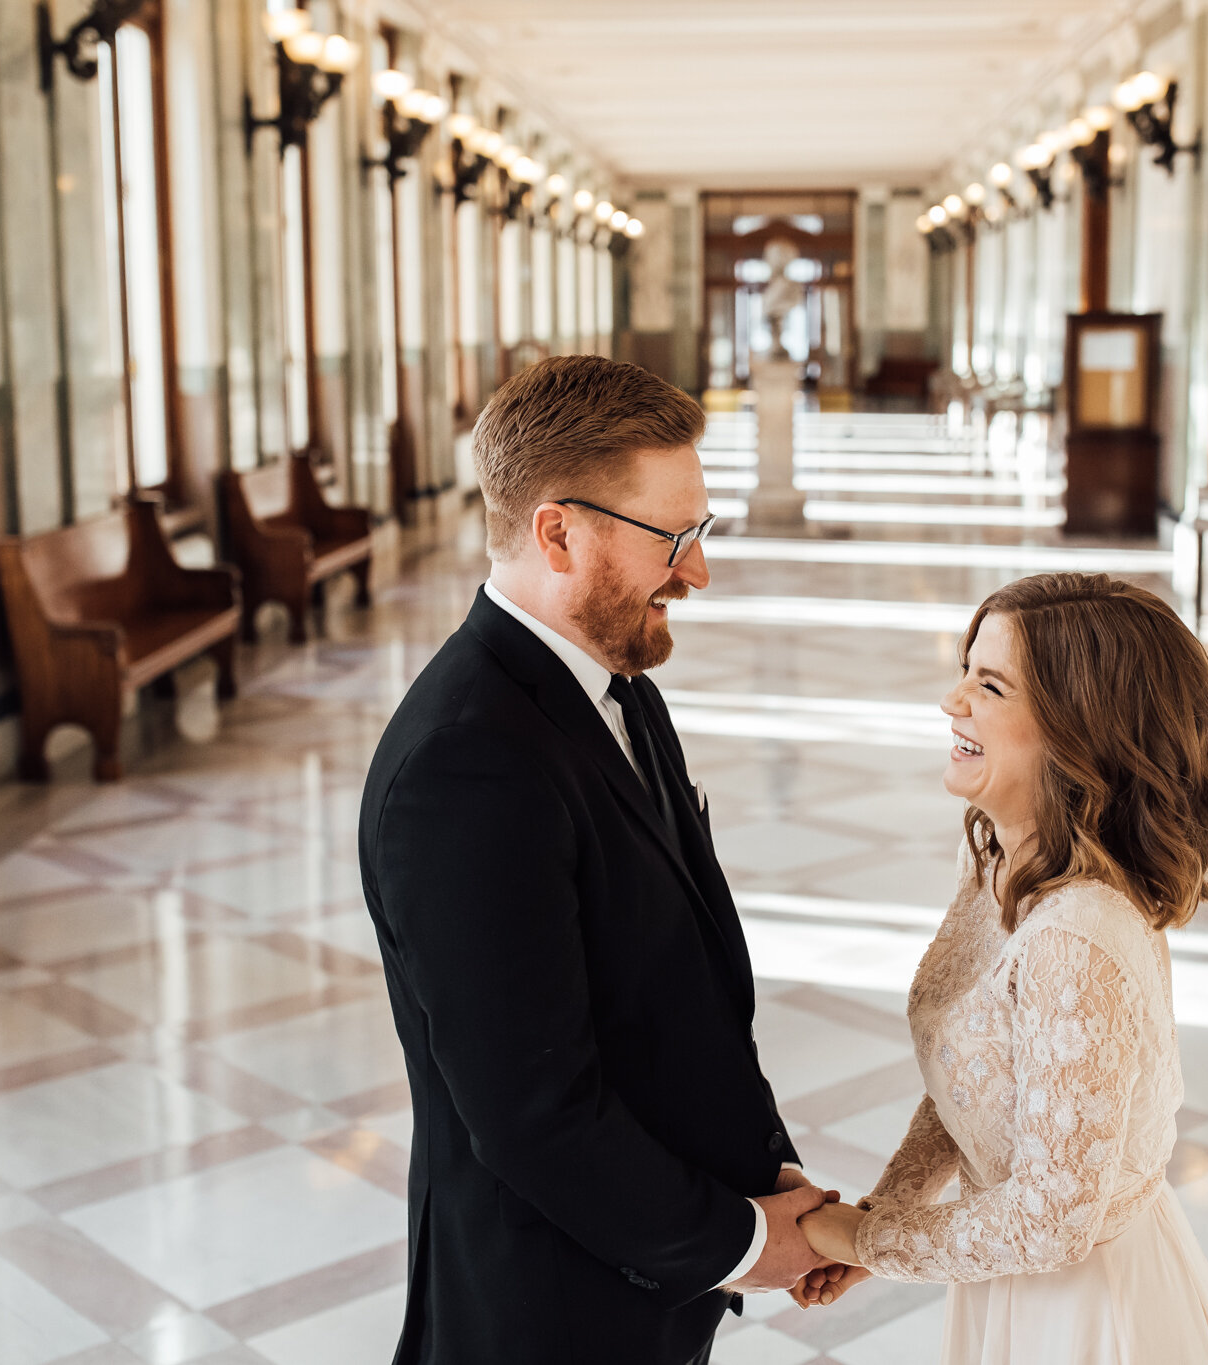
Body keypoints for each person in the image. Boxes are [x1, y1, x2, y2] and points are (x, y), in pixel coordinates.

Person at [358, 355, 830, 1365]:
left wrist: (766, 1179)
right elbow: (535, 1117)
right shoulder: (465, 765)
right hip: (548, 1312)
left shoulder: (614, 680)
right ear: (557, 531)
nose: (696, 571)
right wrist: (747, 1243)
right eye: (674, 538)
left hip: (651, 1274)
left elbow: (677, 991)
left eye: (698, 534)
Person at [795, 573, 1208, 1363]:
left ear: (1079, 730)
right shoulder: (1006, 863)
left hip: (1090, 1312)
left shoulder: (1075, 936)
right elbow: (978, 1076)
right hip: (1008, 1278)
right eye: (967, 672)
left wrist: (874, 1238)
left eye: (990, 685)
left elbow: (1051, 1217)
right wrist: (887, 1207)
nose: (953, 700)